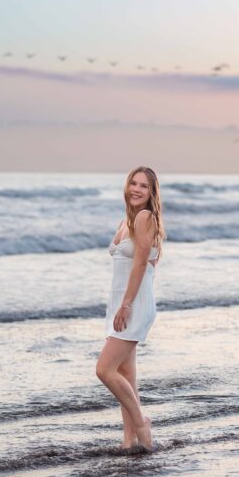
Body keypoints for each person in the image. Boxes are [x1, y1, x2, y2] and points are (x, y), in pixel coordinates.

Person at [95, 165, 165, 453]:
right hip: (122, 303)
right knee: (127, 375)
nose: (136, 189)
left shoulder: (145, 217)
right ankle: (130, 442)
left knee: (104, 369)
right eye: (133, 183)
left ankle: (140, 423)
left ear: (151, 193)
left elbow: (139, 264)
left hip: (133, 304)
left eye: (144, 186)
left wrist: (126, 305)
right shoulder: (128, 219)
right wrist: (119, 305)